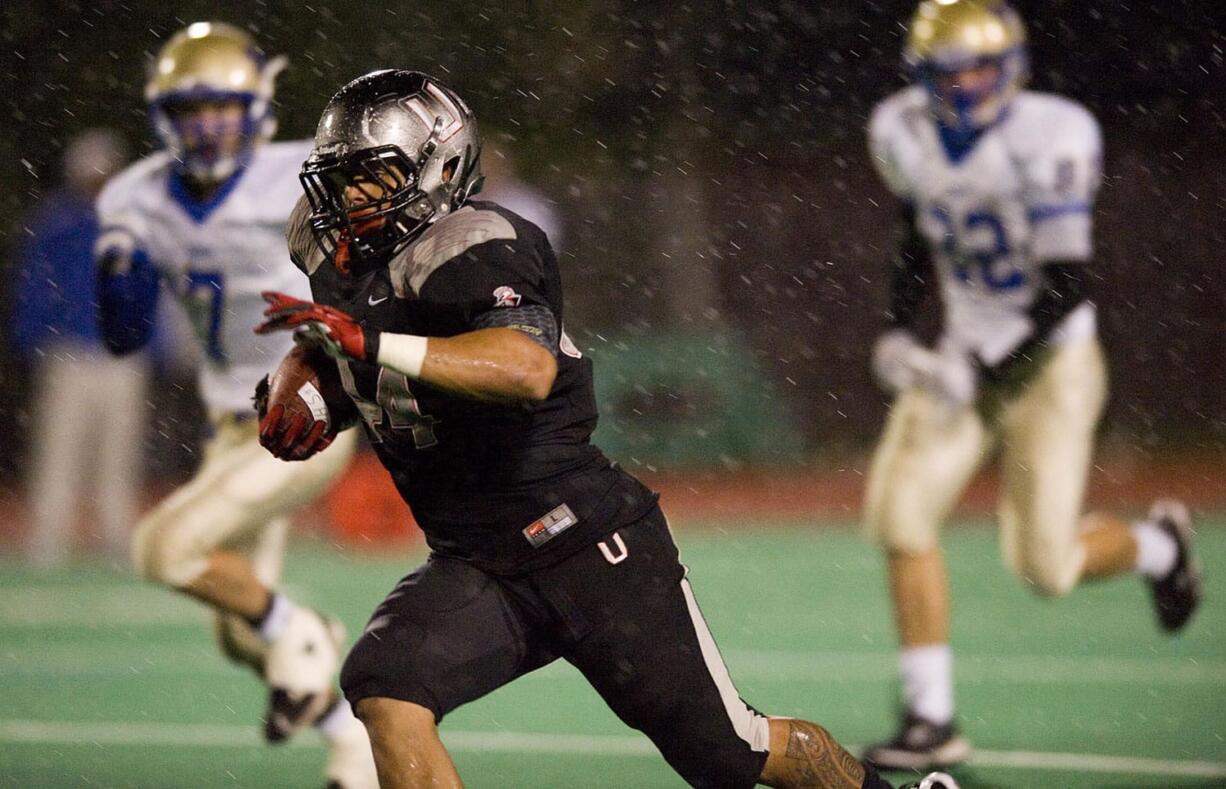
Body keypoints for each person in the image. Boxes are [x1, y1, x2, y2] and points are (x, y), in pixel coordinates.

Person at [254, 68, 958, 789]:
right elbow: (352, 340)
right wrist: (309, 387)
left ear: (440, 165)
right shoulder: (330, 246)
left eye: (375, 175)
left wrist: (367, 348)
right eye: (342, 179)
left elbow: (522, 366)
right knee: (387, 684)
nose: (353, 197)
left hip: (587, 546)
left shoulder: (477, 243)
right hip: (478, 559)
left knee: (731, 754)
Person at [860, 0, 1202, 772]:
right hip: (963, 351)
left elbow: (1066, 288)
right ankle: (930, 716)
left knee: (1046, 567)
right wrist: (896, 328)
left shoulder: (1051, 134)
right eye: (951, 71)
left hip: (1050, 363)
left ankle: (1158, 545)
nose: (968, 84)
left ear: (1011, 65)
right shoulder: (902, 130)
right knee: (900, 513)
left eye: (981, 66)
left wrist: (974, 365)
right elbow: (918, 233)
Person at [94, 22, 374, 787]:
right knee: (240, 635)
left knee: (163, 546)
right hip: (229, 428)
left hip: (305, 414)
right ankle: (353, 741)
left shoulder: (299, 178)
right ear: (165, 115)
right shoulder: (137, 194)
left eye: (222, 107)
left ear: (256, 108)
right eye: (192, 110)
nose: (208, 125)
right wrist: (122, 267)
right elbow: (121, 337)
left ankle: (305, 630)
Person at [12, 129, 147, 568]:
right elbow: (33, 288)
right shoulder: (57, 224)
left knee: (118, 453)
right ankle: (48, 536)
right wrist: (33, 339)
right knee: (59, 449)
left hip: (120, 355)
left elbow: (151, 288)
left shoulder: (132, 224)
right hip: (68, 352)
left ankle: (114, 535)